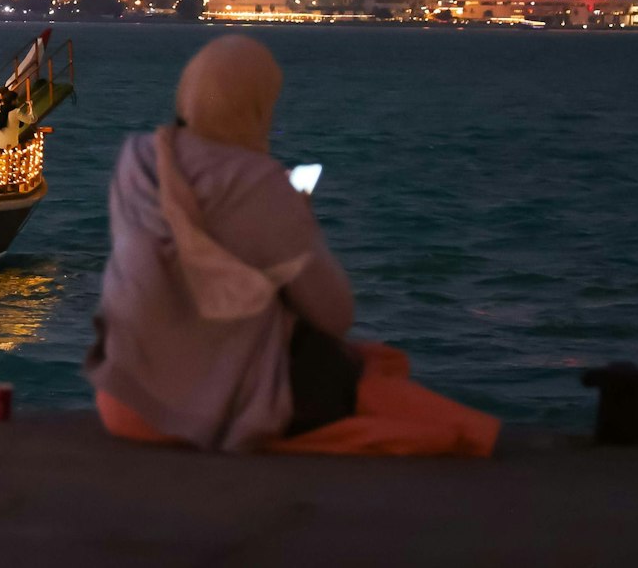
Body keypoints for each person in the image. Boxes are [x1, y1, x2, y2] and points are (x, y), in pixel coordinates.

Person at [86, 35, 498, 457]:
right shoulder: (259, 183)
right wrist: (297, 220)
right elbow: (335, 315)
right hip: (209, 411)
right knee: (376, 379)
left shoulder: (136, 159)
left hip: (123, 402)